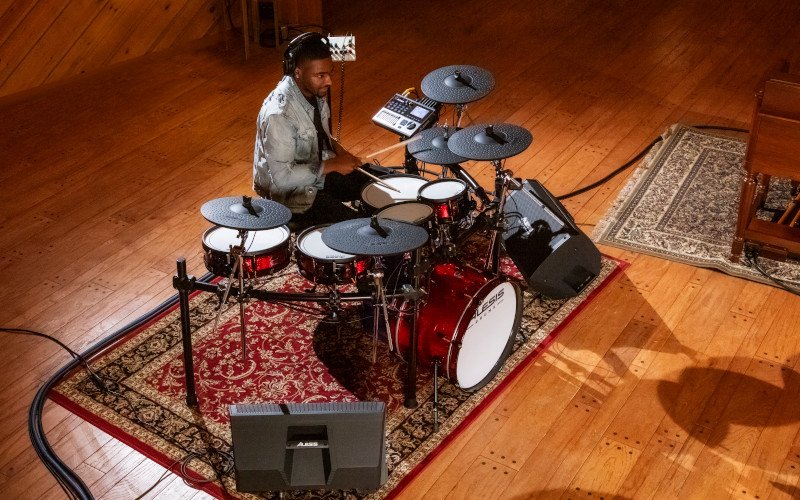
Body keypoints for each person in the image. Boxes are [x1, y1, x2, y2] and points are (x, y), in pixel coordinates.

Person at [253, 32, 374, 231]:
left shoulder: (314, 91)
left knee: (373, 183)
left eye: (330, 73)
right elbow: (282, 178)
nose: (329, 81)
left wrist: (340, 151)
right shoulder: (279, 115)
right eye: (321, 75)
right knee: (359, 228)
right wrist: (333, 165)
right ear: (297, 73)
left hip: (316, 174)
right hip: (292, 198)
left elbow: (320, 134)